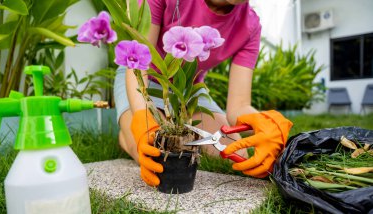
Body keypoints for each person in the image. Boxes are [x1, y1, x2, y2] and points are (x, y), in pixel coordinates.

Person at [114, 0, 293, 186]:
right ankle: (127, 136)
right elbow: (138, 59)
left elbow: (239, 105)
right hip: (143, 79)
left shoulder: (249, 26)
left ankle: (178, 121)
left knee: (236, 152)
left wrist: (264, 121)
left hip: (189, 90)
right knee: (159, 152)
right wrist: (142, 117)